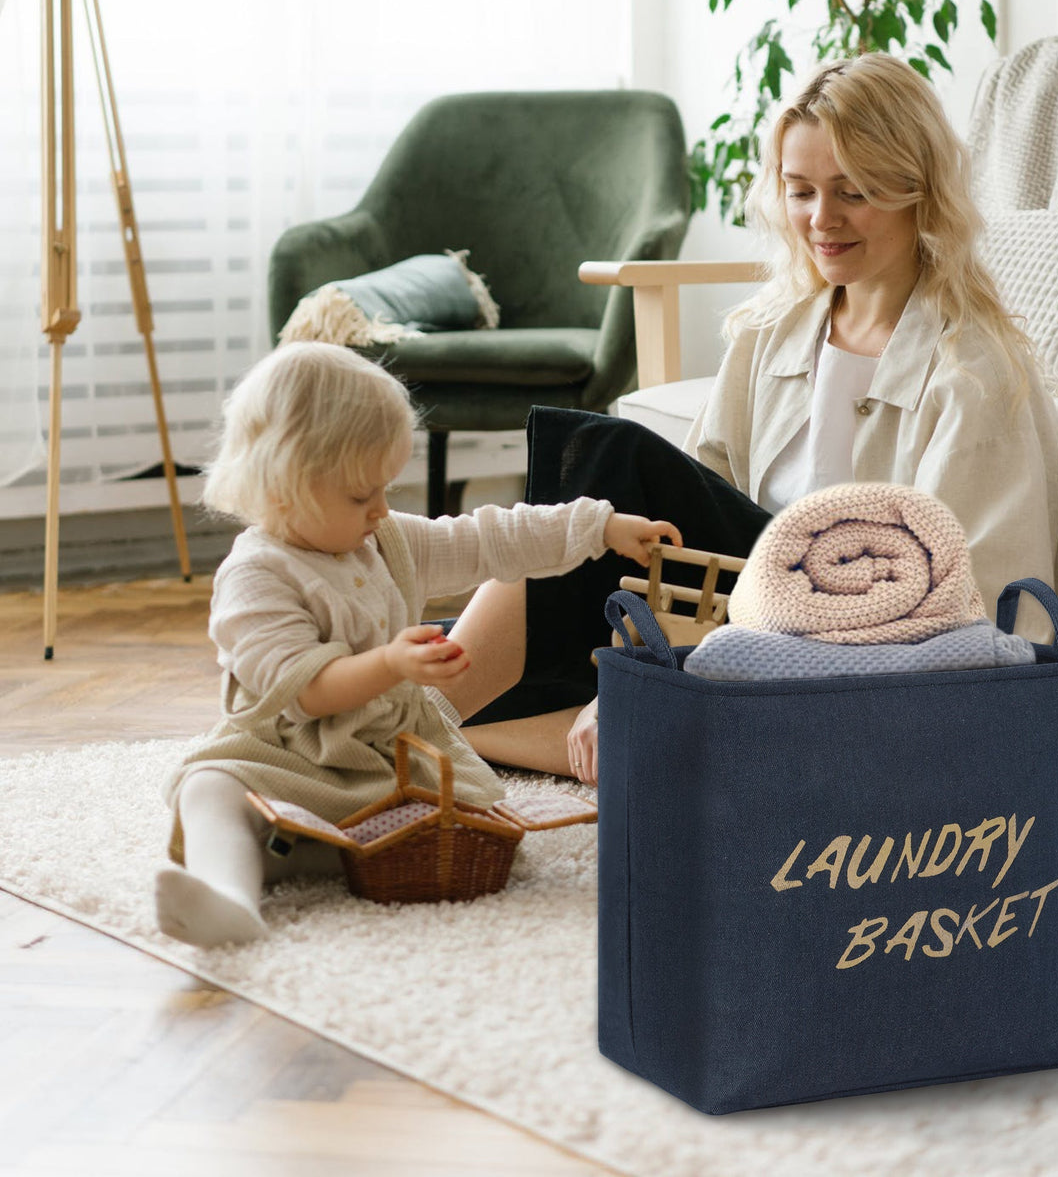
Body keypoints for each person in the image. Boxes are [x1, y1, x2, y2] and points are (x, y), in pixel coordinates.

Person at [460, 52, 1058, 785]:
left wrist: (663, 668)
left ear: (917, 191)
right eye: (801, 190)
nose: (821, 219)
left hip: (857, 636)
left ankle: (419, 728)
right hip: (737, 602)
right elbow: (692, 506)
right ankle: (471, 724)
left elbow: (977, 593)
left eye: (854, 192)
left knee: (609, 453)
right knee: (442, 635)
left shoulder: (976, 367)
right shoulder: (771, 329)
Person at [156, 341, 680, 947]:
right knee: (208, 786)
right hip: (290, 753)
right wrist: (390, 663)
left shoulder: (385, 540)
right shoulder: (256, 576)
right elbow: (304, 693)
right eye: (361, 496)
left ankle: (302, 850)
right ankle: (231, 899)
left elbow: (490, 540)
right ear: (282, 488)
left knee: (465, 825)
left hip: (392, 755)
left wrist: (598, 527)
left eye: (386, 488)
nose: (382, 509)